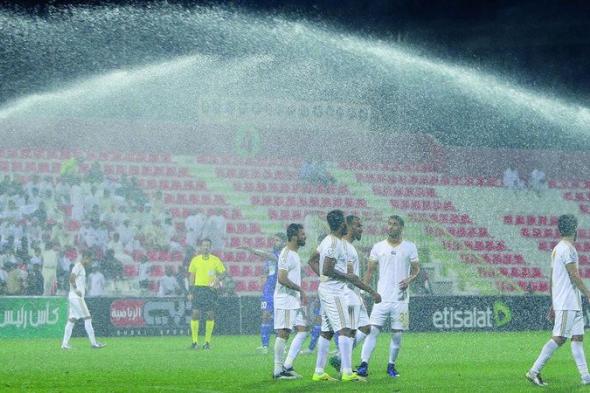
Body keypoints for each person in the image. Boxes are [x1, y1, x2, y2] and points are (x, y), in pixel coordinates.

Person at [308, 209, 381, 382]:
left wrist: (324, 280)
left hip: (330, 289)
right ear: (343, 224)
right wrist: (348, 279)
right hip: (336, 291)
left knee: (326, 332)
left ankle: (319, 371)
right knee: (345, 330)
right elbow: (329, 269)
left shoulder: (329, 241)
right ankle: (347, 371)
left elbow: (312, 260)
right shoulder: (336, 244)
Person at [526, 214, 590, 386]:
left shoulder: (557, 249)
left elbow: (552, 279)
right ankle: (534, 371)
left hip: (571, 302)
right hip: (568, 302)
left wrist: (553, 303)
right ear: (574, 228)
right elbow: (574, 275)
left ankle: (586, 377)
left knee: (577, 338)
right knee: (560, 338)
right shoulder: (568, 249)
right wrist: (588, 294)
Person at [357, 215, 420, 379]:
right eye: (389, 224)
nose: (391, 227)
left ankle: (391, 365)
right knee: (372, 331)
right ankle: (363, 364)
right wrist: (362, 292)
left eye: (394, 224)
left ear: (401, 227)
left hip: (402, 299)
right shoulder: (378, 247)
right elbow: (370, 272)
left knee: (398, 334)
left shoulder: (410, 247)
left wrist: (410, 279)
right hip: (381, 298)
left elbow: (416, 270)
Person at [329, 215, 372, 372]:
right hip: (347, 294)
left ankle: (340, 358)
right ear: (348, 227)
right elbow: (349, 275)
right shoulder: (344, 247)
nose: (361, 229)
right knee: (349, 332)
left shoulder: (349, 247)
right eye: (358, 226)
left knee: (366, 328)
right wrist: (370, 292)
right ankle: (344, 369)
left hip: (353, 294)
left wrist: (359, 295)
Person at [240, 232, 287, 354]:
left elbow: (267, 255)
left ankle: (281, 346)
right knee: (265, 316)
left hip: (279, 290)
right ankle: (264, 346)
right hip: (268, 291)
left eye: (277, 240)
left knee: (279, 319)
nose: (274, 242)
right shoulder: (271, 256)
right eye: (274, 240)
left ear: (284, 242)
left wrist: (251, 250)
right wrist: (264, 277)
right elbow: (267, 270)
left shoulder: (283, 254)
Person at [272, 223, 308, 380]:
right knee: (284, 332)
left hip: (293, 299)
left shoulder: (294, 253)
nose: (304, 236)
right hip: (285, 299)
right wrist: (299, 289)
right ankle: (278, 371)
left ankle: (287, 365)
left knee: (303, 330)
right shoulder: (286, 254)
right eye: (302, 234)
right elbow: (281, 278)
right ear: (294, 236)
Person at [61, 250, 106, 350]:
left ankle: (64, 344)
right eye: (89, 259)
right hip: (76, 297)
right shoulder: (78, 266)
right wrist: (76, 289)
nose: (90, 262)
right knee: (87, 318)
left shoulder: (81, 267)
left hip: (73, 297)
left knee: (71, 320)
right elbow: (71, 278)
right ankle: (94, 343)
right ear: (86, 257)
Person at [188, 238, 226, 350]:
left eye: (208, 245)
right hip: (198, 289)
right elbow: (191, 276)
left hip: (210, 290)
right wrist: (190, 291)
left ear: (210, 247)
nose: (206, 247)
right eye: (204, 245)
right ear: (200, 247)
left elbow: (223, 273)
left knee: (210, 315)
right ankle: (194, 342)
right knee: (195, 314)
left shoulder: (215, 260)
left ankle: (207, 342)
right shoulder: (195, 260)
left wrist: (217, 280)